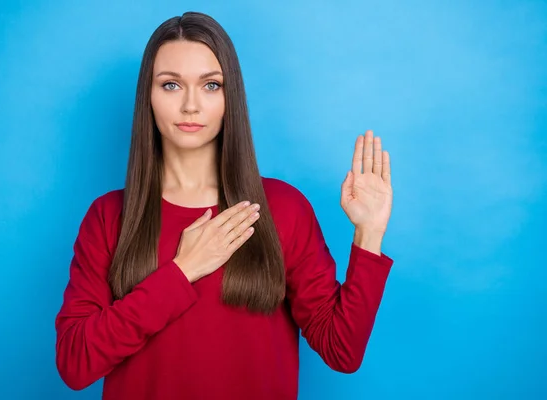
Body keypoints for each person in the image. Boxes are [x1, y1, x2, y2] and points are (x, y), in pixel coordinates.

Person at [55, 11, 394, 400]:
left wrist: (369, 234)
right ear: (147, 97)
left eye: (210, 85)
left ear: (230, 96)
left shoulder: (283, 208)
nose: (190, 106)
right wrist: (182, 272)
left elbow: (342, 351)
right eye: (170, 85)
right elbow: (75, 363)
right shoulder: (109, 216)